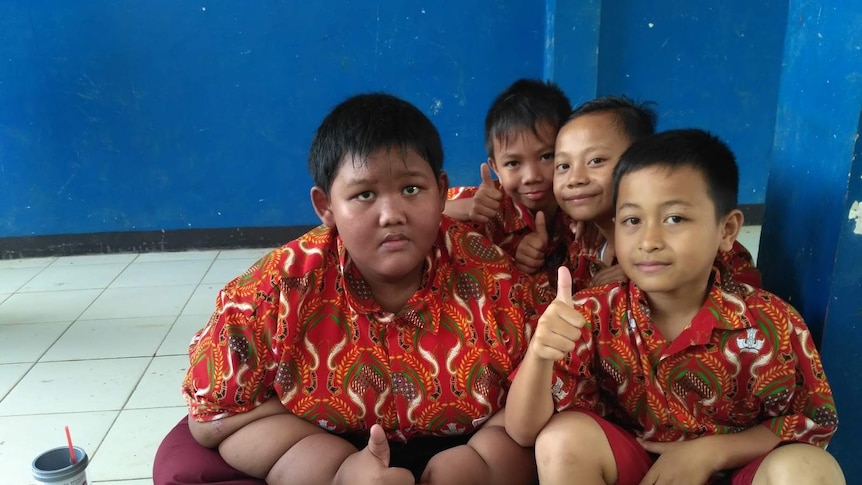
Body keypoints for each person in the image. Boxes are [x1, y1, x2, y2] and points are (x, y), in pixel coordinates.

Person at [153, 93, 548, 485]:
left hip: (465, 442)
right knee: (195, 460)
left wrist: (477, 464)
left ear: (441, 190)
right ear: (325, 206)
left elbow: (544, 399)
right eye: (364, 195)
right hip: (323, 439)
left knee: (518, 442)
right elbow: (211, 417)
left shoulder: (493, 280)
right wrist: (334, 470)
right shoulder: (275, 291)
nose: (392, 215)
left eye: (412, 189)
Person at [505, 129, 844, 485]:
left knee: (809, 469)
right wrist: (540, 356)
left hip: (740, 472)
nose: (649, 241)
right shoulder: (589, 316)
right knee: (562, 439)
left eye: (675, 219)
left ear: (727, 230)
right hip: (639, 471)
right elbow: (523, 432)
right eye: (633, 220)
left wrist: (712, 451)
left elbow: (808, 420)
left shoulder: (769, 322)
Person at [551, 96, 761, 291]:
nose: (575, 178)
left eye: (596, 161)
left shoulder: (714, 251)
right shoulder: (579, 237)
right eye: (562, 165)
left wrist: (645, 277)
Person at [444, 78, 573, 274]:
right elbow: (416, 211)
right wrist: (466, 207)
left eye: (547, 156)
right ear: (495, 167)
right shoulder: (486, 205)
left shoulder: (580, 205)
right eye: (513, 163)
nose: (531, 176)